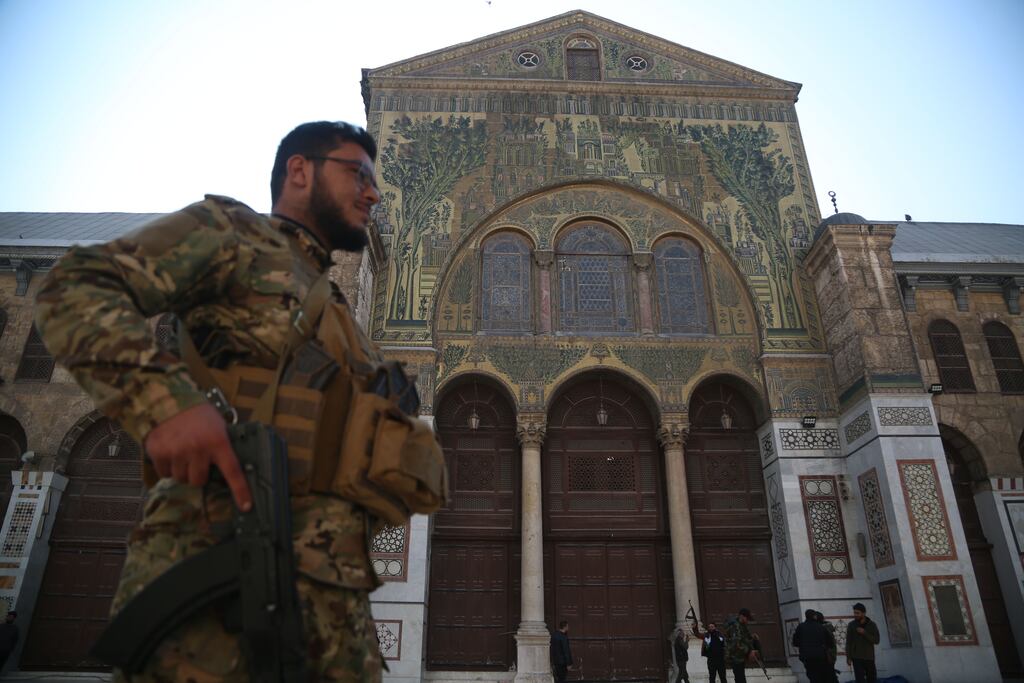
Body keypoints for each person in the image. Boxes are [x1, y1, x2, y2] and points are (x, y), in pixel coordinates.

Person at [36, 121, 386, 682]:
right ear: (300, 170)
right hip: (218, 577)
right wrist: (165, 403)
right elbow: (76, 286)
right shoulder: (231, 235)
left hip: (335, 610)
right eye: (358, 174)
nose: (372, 192)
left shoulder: (343, 315)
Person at [792, 609, 834, 683]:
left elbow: (795, 642)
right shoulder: (821, 627)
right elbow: (830, 643)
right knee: (822, 676)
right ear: (815, 616)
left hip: (807, 657)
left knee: (812, 676)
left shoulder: (801, 627)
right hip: (820, 656)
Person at [846, 603, 880, 683]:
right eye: (854, 613)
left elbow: (876, 640)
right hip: (856, 657)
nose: (855, 615)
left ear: (864, 613)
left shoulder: (872, 625)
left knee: (871, 679)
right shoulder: (851, 625)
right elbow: (848, 642)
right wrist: (848, 657)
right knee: (859, 680)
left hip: (869, 657)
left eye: (857, 613)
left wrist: (865, 633)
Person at [724, 608, 754, 683]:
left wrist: (752, 638)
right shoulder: (735, 626)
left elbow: (745, 637)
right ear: (741, 616)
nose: (748, 621)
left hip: (740, 657)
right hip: (735, 657)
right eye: (747, 618)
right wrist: (748, 651)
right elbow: (736, 645)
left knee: (740, 678)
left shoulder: (742, 625)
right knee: (740, 678)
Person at [815, 612, 839, 683]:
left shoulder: (823, 629)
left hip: (827, 656)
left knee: (827, 676)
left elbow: (828, 644)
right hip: (830, 656)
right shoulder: (827, 628)